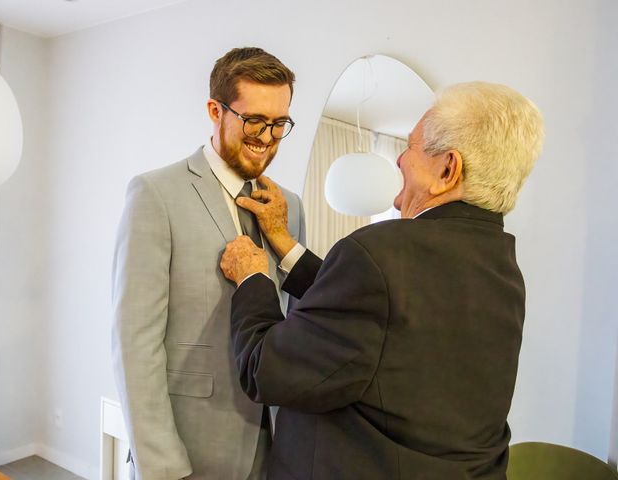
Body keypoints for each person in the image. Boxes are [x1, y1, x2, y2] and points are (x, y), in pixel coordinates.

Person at [220, 81, 544, 479]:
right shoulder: (501, 266)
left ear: (447, 169)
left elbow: (264, 369)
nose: (400, 161)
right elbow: (386, 318)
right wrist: (288, 247)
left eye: (409, 147)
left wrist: (253, 278)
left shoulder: (379, 253)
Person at [112, 47, 305, 480]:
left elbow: (297, 319)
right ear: (215, 110)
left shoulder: (289, 205)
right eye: (254, 120)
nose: (267, 137)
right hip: (188, 451)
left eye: (279, 123)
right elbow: (134, 343)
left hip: (274, 445)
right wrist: (162, 465)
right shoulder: (155, 194)